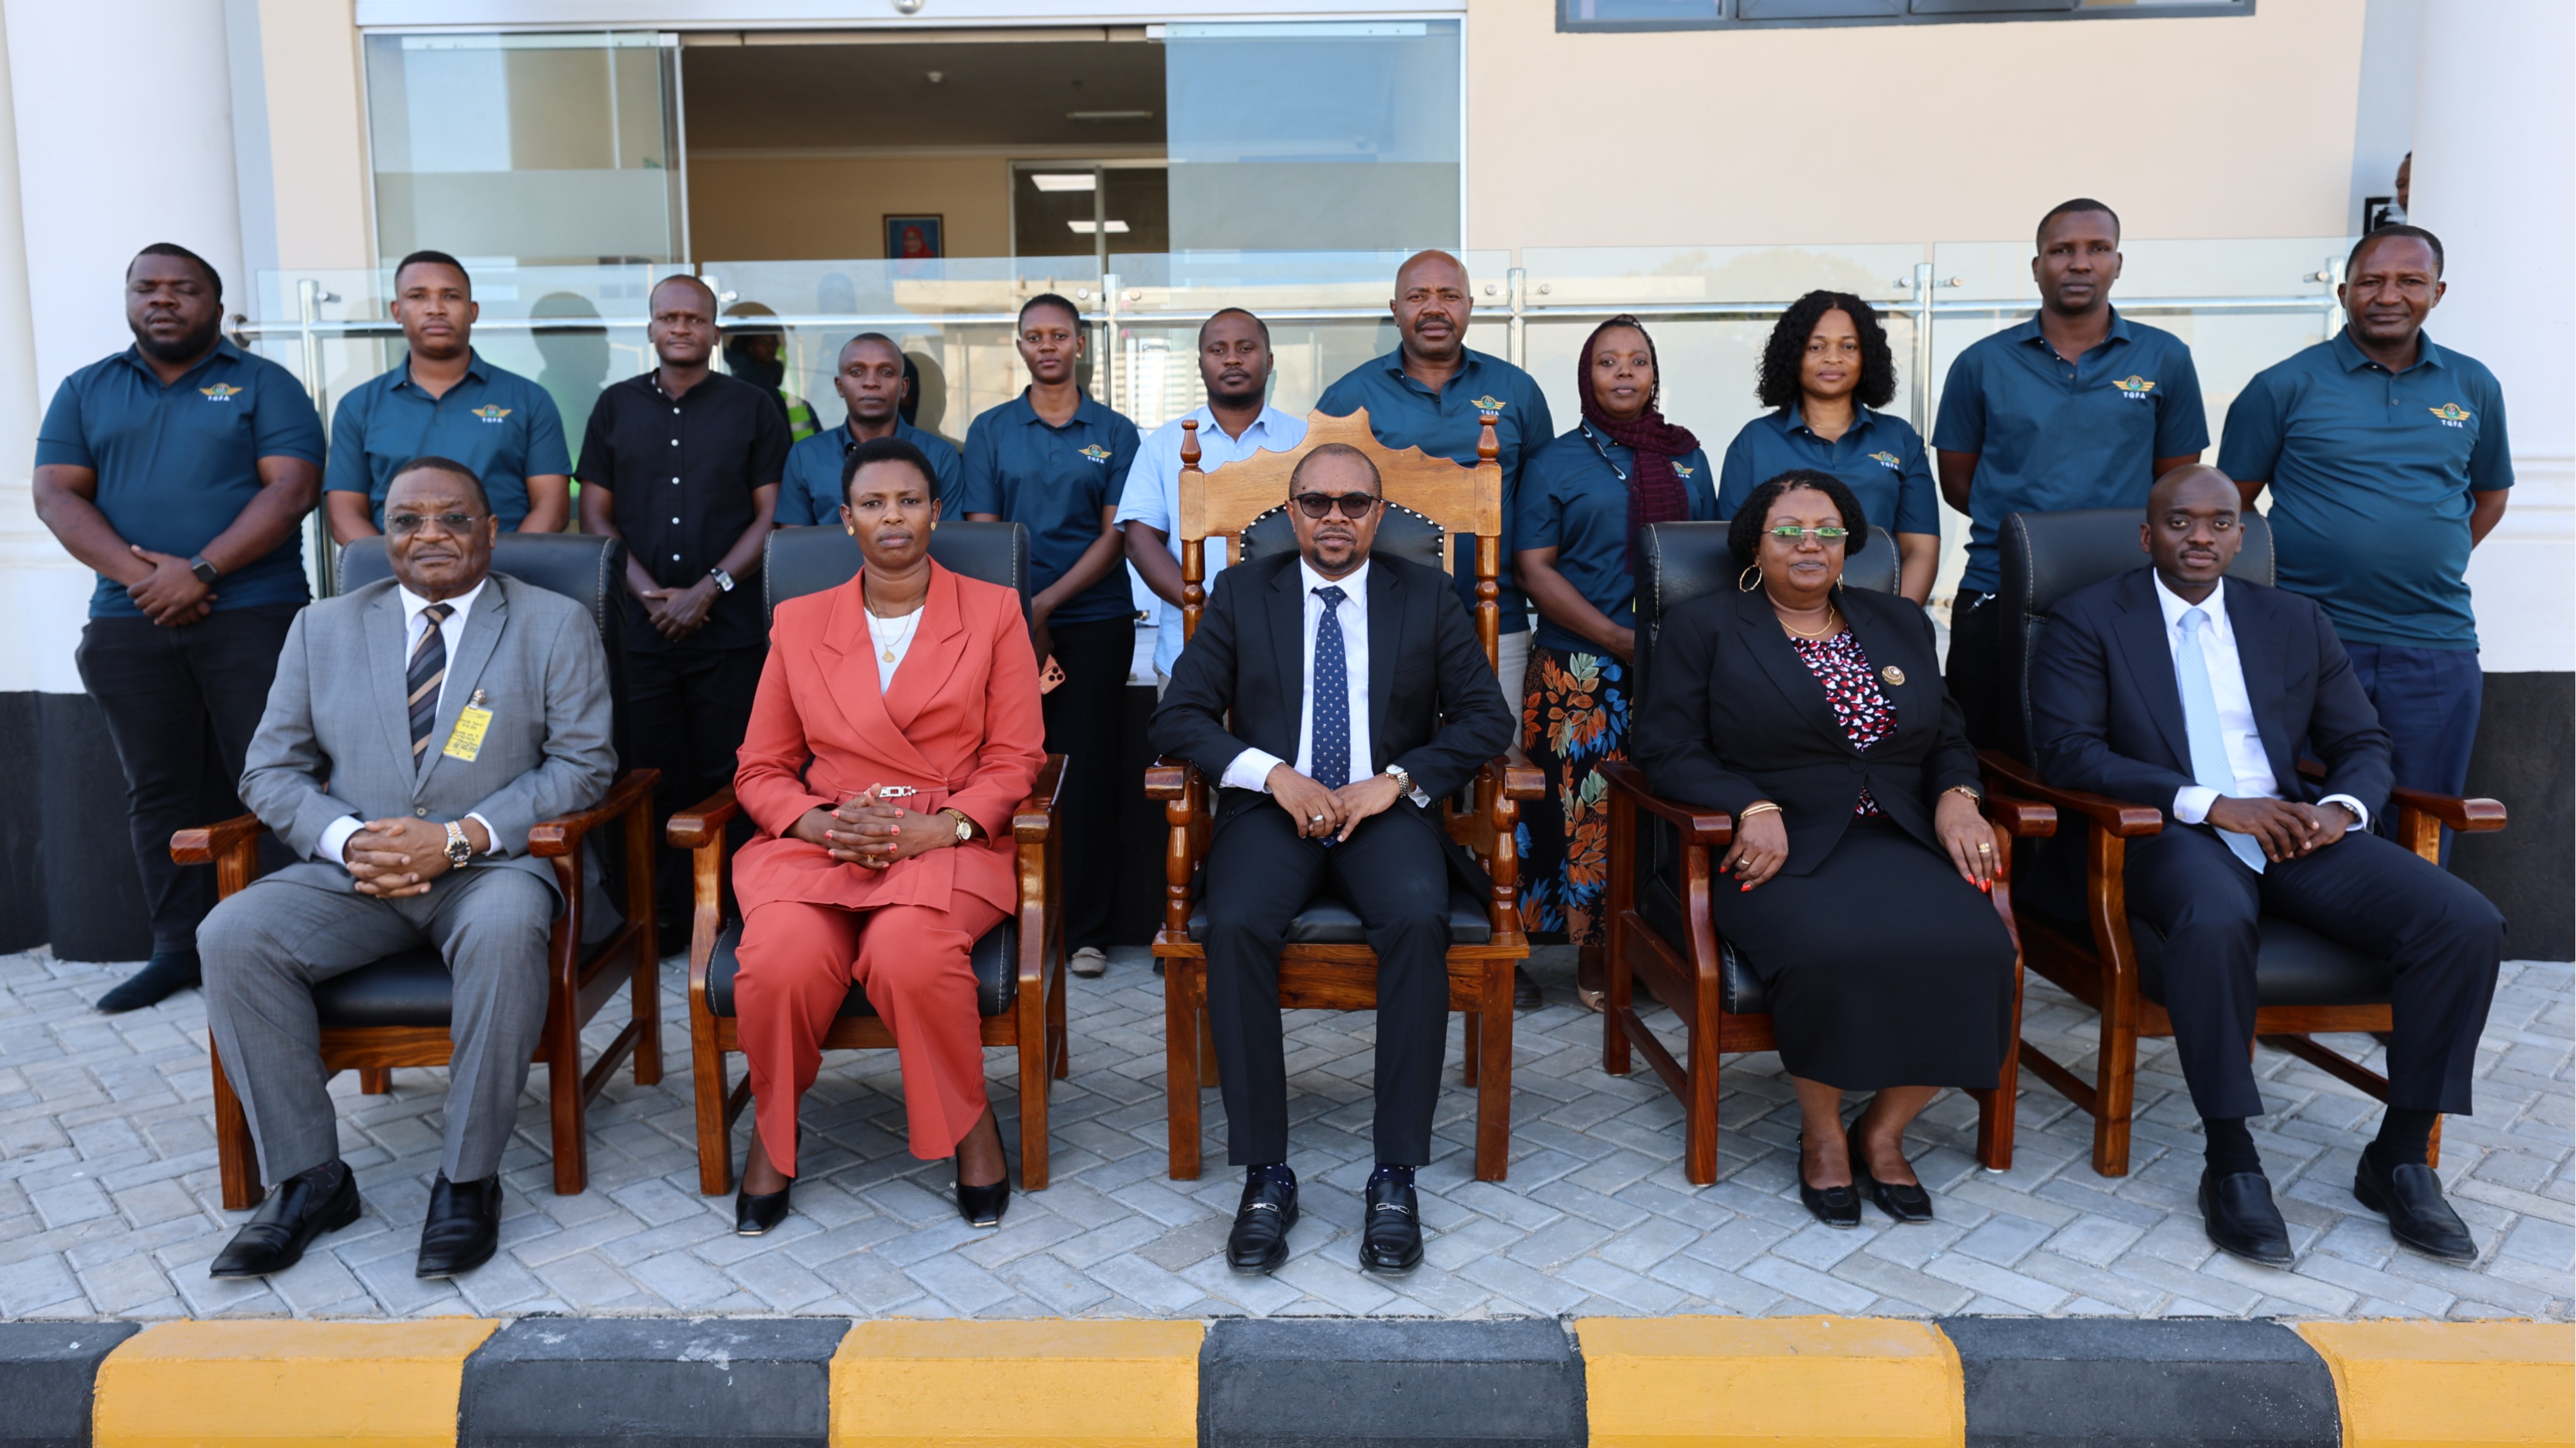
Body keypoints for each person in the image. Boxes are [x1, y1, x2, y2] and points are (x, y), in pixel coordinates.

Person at [2028, 465, 2502, 1267]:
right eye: (2180, 521)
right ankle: (2231, 1160)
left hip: (2292, 829)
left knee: (2464, 921)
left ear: (2240, 537)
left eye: (2219, 522)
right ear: (2147, 535)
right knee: (2215, 918)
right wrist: (2211, 804)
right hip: (2167, 831)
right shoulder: (2089, 617)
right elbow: (2070, 751)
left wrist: (2339, 810)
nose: (2200, 536)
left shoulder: (2292, 618)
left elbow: (2361, 740)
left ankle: (2400, 1154)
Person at [196, 458, 616, 1281]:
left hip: (490, 868)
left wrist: (455, 838)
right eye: (407, 520)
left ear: (490, 529)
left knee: (506, 928)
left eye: (453, 518)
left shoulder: (553, 623)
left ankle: (467, 1178)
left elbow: (584, 764)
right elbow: (270, 771)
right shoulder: (321, 627)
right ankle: (311, 1177)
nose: (430, 535)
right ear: (380, 534)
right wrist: (349, 840)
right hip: (357, 872)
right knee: (231, 933)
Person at [1149, 443, 1513, 1276]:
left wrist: (1398, 780)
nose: (1335, 517)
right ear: (1292, 513)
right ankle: (1266, 1173)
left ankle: (1395, 1173)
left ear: (1379, 513)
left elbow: (1485, 718)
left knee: (1417, 916)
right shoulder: (1245, 592)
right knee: (1236, 921)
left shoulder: (1424, 593)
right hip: (1272, 812)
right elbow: (1179, 716)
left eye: (1354, 502)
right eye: (1316, 502)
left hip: (1382, 811)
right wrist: (1271, 773)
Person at [1632, 469, 2014, 1230]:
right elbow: (1665, 746)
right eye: (1788, 531)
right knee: (1831, 951)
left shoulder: (1898, 620)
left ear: (1847, 545)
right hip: (1778, 846)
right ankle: (1821, 1132)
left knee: (1983, 947)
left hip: (1900, 834)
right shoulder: (1705, 626)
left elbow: (1945, 734)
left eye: (1827, 532)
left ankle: (1883, 1129)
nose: (1809, 544)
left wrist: (1957, 793)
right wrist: (1748, 804)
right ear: (1755, 545)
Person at [726, 436, 1046, 1234]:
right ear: (847, 519)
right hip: (827, 836)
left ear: (936, 511)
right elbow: (761, 765)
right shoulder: (799, 621)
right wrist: (818, 822)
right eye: (873, 503)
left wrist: (941, 827)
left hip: (948, 836)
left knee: (909, 953)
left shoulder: (993, 611)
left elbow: (1016, 758)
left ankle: (969, 1124)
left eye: (908, 501)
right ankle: (774, 1131)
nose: (892, 517)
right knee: (780, 957)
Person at [31, 244, 325, 1013]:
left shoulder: (265, 383)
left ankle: (295, 942)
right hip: (129, 623)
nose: (163, 299)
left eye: (183, 288)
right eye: (147, 288)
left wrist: (201, 569)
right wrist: (151, 581)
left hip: (254, 615)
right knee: (158, 788)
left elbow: (293, 489)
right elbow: (56, 495)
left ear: (216, 306)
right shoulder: (87, 388)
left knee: (274, 779)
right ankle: (176, 948)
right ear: (129, 299)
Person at [2218, 226, 2509, 861]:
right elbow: (2228, 506)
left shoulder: (2473, 385)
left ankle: (2417, 927)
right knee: (2304, 818)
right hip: (2309, 638)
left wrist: (2425, 558)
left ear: (2437, 292)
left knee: (2422, 818)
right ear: (2344, 291)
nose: (2388, 295)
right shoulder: (2283, 385)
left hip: (2434, 641)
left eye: (2409, 281)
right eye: (2372, 281)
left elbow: (2489, 495)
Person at [1316, 248, 1553, 1007]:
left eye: (1448, 293)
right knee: (1393, 765)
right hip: (1379, 626)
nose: (1433, 307)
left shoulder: (1517, 392)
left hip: (1496, 617)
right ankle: (1396, 923)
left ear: (1470, 306)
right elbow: (1322, 507)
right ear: (1395, 310)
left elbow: (1538, 508)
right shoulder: (1349, 395)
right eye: (1416, 294)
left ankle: (1494, 943)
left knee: (1491, 775)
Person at [1933, 199, 2208, 749]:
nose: (2080, 263)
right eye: (2062, 250)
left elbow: (2175, 485)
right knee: (1985, 754)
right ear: (2037, 266)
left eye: (2098, 249)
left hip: (2124, 592)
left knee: (2119, 754)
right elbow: (1961, 484)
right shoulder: (1981, 362)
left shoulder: (2165, 357)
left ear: (2118, 263)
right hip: (1998, 587)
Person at [577, 274, 788, 941]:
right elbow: (595, 514)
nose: (680, 327)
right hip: (641, 637)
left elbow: (771, 514)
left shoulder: (754, 406)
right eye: (668, 317)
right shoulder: (614, 406)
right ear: (650, 328)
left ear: (714, 331)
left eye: (694, 319)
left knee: (734, 774)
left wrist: (709, 588)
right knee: (649, 776)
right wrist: (648, 595)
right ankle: (663, 920)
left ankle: (737, 914)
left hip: (729, 633)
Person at [1513, 315, 1715, 1007]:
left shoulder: (1689, 456)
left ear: (1655, 374)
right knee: (1587, 816)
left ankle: (1663, 944)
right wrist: (1616, 636)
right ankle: (1596, 952)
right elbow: (1533, 568)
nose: (1624, 371)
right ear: (1586, 376)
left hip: (1676, 667)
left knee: (1668, 807)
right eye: (1608, 361)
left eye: (1637, 360)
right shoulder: (1555, 461)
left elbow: (1710, 555)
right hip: (1581, 671)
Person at [957, 294, 1141, 985]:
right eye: (1034, 336)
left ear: (1081, 344)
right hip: (1004, 621)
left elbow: (1117, 534)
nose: (1047, 346)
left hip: (1094, 619)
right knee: (1007, 769)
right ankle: (1013, 920)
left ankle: (1088, 930)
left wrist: (1046, 603)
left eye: (1059, 334)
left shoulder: (1115, 431)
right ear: (1020, 346)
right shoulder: (991, 429)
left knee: (1088, 772)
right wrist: (1021, 611)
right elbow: (983, 532)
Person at [1118, 307, 1307, 695]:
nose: (1232, 359)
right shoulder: (1165, 444)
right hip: (1189, 651)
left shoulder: (1305, 442)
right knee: (1189, 738)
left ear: (1270, 361)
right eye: (1218, 350)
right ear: (1200, 364)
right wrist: (1205, 610)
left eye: (1246, 348)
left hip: (1292, 650)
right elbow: (1140, 540)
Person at [323, 250, 572, 543]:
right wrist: (396, 568)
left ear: (473, 311)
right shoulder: (359, 406)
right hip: (394, 569)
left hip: (506, 566)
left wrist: (502, 567)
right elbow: (345, 515)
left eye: (450, 296)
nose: (435, 309)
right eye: (418, 296)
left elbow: (552, 508)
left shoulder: (529, 399)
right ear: (397, 311)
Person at [1719, 292, 1941, 604]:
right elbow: (1734, 550)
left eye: (1848, 346)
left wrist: (1893, 622)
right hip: (1775, 617)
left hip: (1879, 611)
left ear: (1867, 357)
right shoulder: (1754, 440)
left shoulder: (1899, 437)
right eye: (1816, 347)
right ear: (1794, 355)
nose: (1833, 358)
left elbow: (1921, 550)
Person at [775, 333, 963, 526]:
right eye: (856, 372)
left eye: (887, 372)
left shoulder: (940, 456)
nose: (871, 383)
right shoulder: (806, 456)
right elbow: (794, 542)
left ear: (904, 387)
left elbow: (951, 539)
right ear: (840, 386)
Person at [722, 301, 818, 441]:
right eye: (763, 342)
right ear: (749, 347)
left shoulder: (791, 398)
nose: (770, 347)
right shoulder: (738, 393)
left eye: (773, 342)